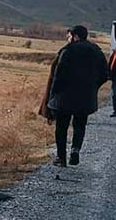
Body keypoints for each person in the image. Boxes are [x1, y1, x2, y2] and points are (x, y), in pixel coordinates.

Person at [40, 25, 108, 166]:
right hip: (86, 97)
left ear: (75, 36)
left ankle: (61, 158)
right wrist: (93, 88)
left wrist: (53, 96)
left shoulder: (68, 51)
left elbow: (58, 75)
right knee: (80, 125)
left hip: (64, 97)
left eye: (69, 36)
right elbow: (105, 74)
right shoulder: (97, 51)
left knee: (61, 127)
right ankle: (75, 151)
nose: (68, 38)